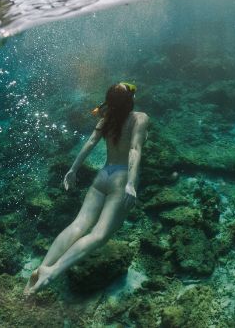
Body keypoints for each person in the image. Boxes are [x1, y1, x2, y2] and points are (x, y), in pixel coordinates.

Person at [24, 82, 149, 295]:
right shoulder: (140, 118)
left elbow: (90, 142)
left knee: (78, 225)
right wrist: (130, 182)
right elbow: (135, 150)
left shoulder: (106, 118)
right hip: (121, 179)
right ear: (130, 101)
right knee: (99, 235)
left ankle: (42, 266)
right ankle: (52, 272)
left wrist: (73, 170)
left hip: (103, 176)